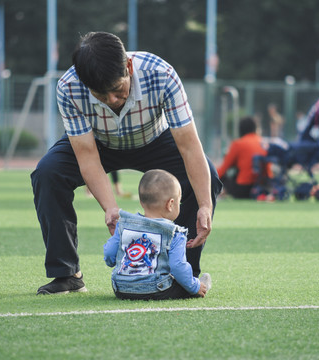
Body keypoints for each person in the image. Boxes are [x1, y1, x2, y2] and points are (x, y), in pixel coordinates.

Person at [31, 31, 222, 295]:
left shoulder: (161, 74)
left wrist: (204, 205)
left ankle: (182, 274)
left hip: (154, 138)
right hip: (98, 142)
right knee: (48, 173)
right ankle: (67, 274)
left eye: (117, 90)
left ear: (129, 67)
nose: (111, 100)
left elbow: (189, 147)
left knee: (206, 174)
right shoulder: (69, 86)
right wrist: (111, 209)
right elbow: (86, 154)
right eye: (101, 94)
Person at [104, 169, 211, 300]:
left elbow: (109, 253)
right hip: (155, 288)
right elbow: (178, 267)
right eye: (179, 202)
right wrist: (194, 287)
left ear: (141, 201)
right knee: (183, 284)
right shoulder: (174, 233)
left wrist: (113, 263)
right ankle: (199, 284)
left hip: (121, 288)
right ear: (170, 204)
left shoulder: (123, 224)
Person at [216, 116, 271, 199]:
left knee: (222, 176)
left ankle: (219, 193)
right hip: (262, 187)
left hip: (243, 189)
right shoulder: (264, 142)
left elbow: (223, 169)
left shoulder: (238, 144)